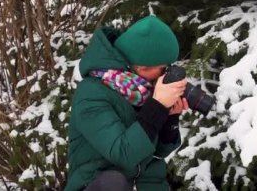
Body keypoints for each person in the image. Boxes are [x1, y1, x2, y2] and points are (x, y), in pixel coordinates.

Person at [65, 15, 188, 191]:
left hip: (147, 184)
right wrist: (157, 106)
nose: (166, 75)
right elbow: (123, 153)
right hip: (98, 185)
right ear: (141, 67)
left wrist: (169, 119)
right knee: (113, 182)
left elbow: (157, 152)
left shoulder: (143, 91)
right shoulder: (91, 93)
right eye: (163, 69)